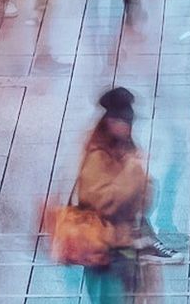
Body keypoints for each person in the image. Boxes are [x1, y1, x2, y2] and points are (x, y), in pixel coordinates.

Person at [75, 87, 181, 302]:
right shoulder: (97, 156)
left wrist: (144, 181)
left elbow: (143, 203)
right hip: (105, 251)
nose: (126, 127)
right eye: (122, 121)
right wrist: (131, 174)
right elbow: (101, 203)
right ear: (110, 122)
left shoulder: (127, 151)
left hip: (125, 251)